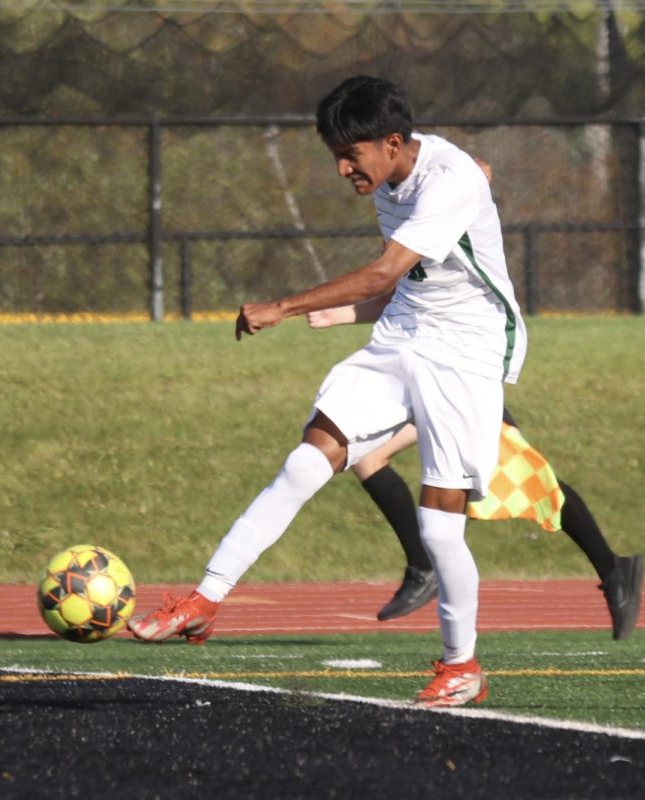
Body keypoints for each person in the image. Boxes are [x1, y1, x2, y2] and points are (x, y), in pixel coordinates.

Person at [130, 74, 528, 708]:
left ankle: (463, 666)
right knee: (305, 460)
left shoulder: (447, 180)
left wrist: (281, 307)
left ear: (393, 142)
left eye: (353, 155)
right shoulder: (402, 170)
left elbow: (384, 269)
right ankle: (205, 599)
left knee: (440, 528)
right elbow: (409, 267)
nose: (343, 168)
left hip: (466, 350)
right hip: (404, 334)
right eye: (336, 156)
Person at [308, 304, 644, 639]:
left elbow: (415, 291)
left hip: (463, 380)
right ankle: (424, 567)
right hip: (426, 376)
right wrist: (338, 313)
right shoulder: (422, 258)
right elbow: (403, 295)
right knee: (368, 457)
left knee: (532, 483)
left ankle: (614, 570)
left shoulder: (457, 257)